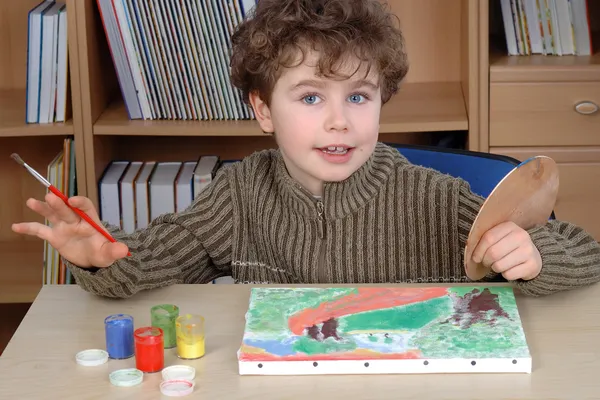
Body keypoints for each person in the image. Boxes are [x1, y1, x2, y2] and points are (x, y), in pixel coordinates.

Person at [11, 0, 600, 299]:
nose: (340, 121)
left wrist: (535, 256)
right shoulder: (240, 194)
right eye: (312, 98)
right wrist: (99, 255)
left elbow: (583, 253)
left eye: (360, 96)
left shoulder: (432, 199)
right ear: (263, 109)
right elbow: (151, 261)